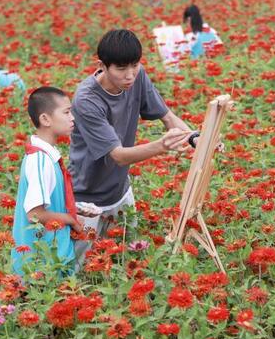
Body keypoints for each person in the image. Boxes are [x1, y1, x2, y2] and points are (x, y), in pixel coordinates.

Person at [69, 29, 196, 267]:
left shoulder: (137, 76)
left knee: (129, 260)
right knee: (83, 270)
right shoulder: (87, 100)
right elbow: (117, 155)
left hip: (120, 191)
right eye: (121, 69)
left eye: (135, 66)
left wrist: (196, 139)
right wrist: (161, 146)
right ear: (102, 66)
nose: (129, 75)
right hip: (87, 199)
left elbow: (168, 117)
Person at [11, 86, 85, 277]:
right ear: (45, 119)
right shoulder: (40, 160)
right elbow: (35, 214)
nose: (72, 118)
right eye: (67, 112)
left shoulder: (46, 157)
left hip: (52, 260)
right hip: (41, 267)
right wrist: (71, 220)